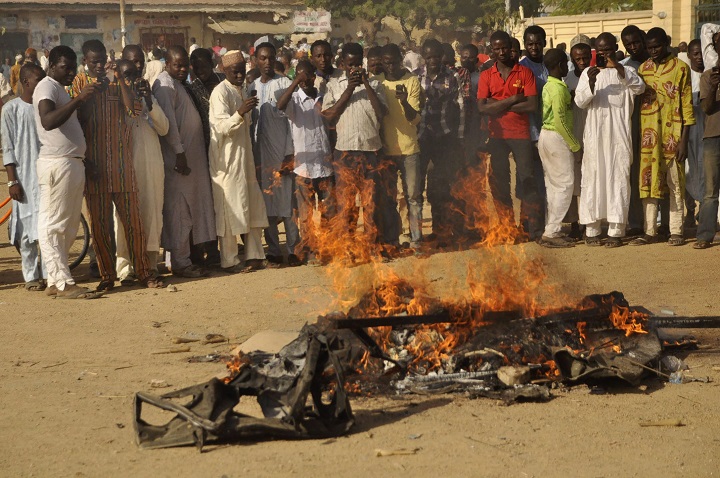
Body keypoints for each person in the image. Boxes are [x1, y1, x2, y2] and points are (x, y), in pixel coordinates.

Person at [69, 40, 161, 290]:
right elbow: (77, 120)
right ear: (85, 61)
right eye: (93, 61)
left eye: (102, 60)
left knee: (134, 223)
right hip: (95, 167)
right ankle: (107, 276)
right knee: (100, 226)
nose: (99, 66)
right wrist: (88, 93)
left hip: (122, 167)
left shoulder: (117, 84)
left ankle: (144, 273)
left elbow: (133, 110)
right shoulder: (79, 83)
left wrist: (119, 79)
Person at [34, 46, 102, 298]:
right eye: (65, 67)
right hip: (57, 163)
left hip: (71, 162)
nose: (71, 72)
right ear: (51, 65)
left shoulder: (59, 89)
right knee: (54, 225)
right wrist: (78, 99)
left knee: (68, 226)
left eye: (73, 68)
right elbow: (48, 121)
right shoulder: (47, 86)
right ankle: (62, 283)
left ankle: (55, 280)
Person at [575, 32, 646, 247]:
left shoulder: (627, 71)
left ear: (615, 48)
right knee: (593, 179)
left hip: (618, 136)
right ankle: (592, 230)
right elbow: (580, 101)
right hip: (595, 137)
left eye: (607, 49)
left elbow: (639, 87)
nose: (604, 53)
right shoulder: (588, 72)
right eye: (600, 50)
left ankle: (616, 232)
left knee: (618, 179)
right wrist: (591, 81)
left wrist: (617, 67)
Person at [153, 45, 217, 277]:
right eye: (177, 65)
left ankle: (183, 259)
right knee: (180, 212)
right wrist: (179, 153)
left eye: (184, 65)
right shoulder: (164, 86)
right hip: (180, 162)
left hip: (191, 158)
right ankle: (181, 263)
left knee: (187, 211)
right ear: (167, 64)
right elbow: (168, 123)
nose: (182, 69)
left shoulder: (178, 84)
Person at [321, 42, 387, 256]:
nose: (355, 68)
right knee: (347, 205)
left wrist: (365, 84)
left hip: (371, 150)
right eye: (351, 65)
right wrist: (350, 87)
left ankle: (372, 248)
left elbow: (382, 113)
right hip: (345, 152)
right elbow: (329, 116)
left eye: (359, 63)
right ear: (343, 64)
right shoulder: (334, 84)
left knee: (372, 203)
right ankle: (348, 249)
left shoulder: (376, 84)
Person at [631, 28, 695, 247]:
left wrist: (684, 141)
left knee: (675, 182)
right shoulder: (643, 69)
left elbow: (687, 108)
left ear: (666, 43)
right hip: (649, 136)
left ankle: (676, 230)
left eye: (656, 46)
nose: (653, 51)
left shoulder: (681, 69)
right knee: (648, 181)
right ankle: (650, 230)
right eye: (649, 48)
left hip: (673, 135)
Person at [477, 31, 543, 242]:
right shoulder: (487, 75)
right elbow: (482, 108)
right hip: (497, 135)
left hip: (520, 133)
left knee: (527, 181)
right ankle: (507, 228)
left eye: (505, 47)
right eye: (497, 49)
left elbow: (531, 105)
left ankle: (529, 228)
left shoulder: (525, 73)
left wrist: (496, 104)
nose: (502, 52)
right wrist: (514, 99)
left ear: (511, 47)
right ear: (492, 50)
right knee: (499, 182)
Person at [208, 51, 268, 272]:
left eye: (242, 70)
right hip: (227, 162)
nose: (240, 75)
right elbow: (221, 127)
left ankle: (254, 255)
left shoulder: (242, 90)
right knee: (229, 211)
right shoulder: (219, 93)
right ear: (224, 71)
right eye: (235, 72)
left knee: (251, 207)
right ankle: (230, 260)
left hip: (245, 159)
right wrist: (240, 112)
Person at [114, 50, 168, 282]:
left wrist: (148, 100)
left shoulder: (149, 97)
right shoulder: (113, 98)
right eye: (126, 75)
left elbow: (164, 128)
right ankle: (125, 267)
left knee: (152, 213)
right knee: (124, 217)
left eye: (135, 74)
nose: (131, 79)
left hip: (151, 165)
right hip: (125, 168)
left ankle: (150, 264)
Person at [277, 60, 335, 263]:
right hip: (303, 169)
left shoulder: (323, 96)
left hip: (325, 164)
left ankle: (327, 249)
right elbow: (279, 105)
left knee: (329, 211)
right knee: (306, 215)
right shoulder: (293, 100)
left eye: (308, 76)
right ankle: (310, 251)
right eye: (301, 76)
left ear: (314, 76)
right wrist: (295, 82)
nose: (305, 80)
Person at [251, 42, 300, 267]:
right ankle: (273, 249)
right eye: (263, 58)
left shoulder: (285, 84)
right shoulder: (251, 87)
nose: (267, 62)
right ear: (256, 61)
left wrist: (289, 155)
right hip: (261, 156)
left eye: (271, 58)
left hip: (282, 154)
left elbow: (293, 123)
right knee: (267, 205)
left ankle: (293, 249)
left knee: (287, 206)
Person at [2, 63, 47, 290]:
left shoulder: (46, 107)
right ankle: (31, 277)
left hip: (47, 174)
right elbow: (8, 148)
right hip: (24, 177)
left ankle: (51, 274)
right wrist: (12, 181)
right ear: (26, 82)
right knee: (27, 230)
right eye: (39, 80)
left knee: (48, 228)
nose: (42, 84)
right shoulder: (11, 110)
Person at [416, 39, 464, 244]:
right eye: (429, 57)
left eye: (436, 56)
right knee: (420, 187)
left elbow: (460, 107)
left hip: (444, 137)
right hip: (421, 139)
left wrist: (459, 137)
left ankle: (444, 231)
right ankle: (426, 232)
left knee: (442, 186)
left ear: (442, 56)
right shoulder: (416, 77)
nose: (433, 60)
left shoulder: (452, 76)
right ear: (423, 57)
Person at [376, 43, 423, 249]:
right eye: (387, 63)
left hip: (409, 149)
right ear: (382, 63)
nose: (391, 66)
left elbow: (414, 119)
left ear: (401, 60)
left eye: (394, 62)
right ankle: (393, 238)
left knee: (413, 197)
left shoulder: (412, 81)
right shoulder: (377, 83)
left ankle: (416, 239)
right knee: (389, 198)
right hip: (386, 149)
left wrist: (404, 102)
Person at [537, 49, 582, 248]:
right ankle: (552, 231)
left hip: (546, 136)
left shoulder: (551, 85)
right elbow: (560, 120)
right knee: (564, 185)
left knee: (553, 186)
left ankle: (551, 228)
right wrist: (575, 145)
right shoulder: (557, 89)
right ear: (560, 65)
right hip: (557, 137)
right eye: (566, 62)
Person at [621, 25, 652, 236]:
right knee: (632, 174)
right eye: (628, 44)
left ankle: (660, 222)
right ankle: (635, 223)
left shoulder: (657, 62)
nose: (632, 47)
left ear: (643, 39)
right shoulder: (624, 67)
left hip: (657, 123)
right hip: (633, 124)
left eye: (635, 42)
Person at [563, 41, 593, 239]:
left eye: (584, 58)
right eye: (577, 58)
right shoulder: (566, 80)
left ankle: (589, 220)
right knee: (573, 180)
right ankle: (574, 222)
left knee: (590, 179)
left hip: (593, 135)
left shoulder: (596, 75)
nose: (581, 61)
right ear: (572, 59)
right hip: (573, 135)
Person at [694, 31, 720, 249]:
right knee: (710, 191)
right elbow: (707, 108)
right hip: (713, 137)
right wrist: (712, 86)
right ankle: (704, 235)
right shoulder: (708, 75)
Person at [685, 39, 706, 230]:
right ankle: (689, 212)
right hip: (689, 132)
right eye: (695, 54)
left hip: (708, 131)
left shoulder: (711, 74)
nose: (699, 58)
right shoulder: (685, 76)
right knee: (688, 171)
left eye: (702, 53)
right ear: (689, 55)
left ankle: (706, 211)